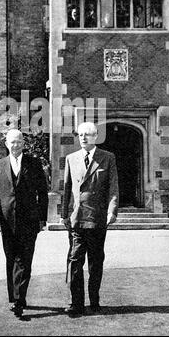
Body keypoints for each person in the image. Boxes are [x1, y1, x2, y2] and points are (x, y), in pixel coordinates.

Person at [0, 129, 48, 318]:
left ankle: (18, 301)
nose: (15, 146)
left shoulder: (34, 164)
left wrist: (42, 219)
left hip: (29, 221)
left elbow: (43, 193)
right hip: (7, 221)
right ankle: (14, 298)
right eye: (12, 142)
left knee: (24, 260)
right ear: (6, 144)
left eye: (19, 142)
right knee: (11, 259)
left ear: (24, 143)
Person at [61, 122, 119, 316]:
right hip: (77, 219)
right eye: (80, 135)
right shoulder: (71, 158)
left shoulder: (107, 158)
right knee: (75, 260)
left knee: (95, 262)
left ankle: (94, 301)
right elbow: (67, 189)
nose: (83, 138)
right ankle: (75, 303)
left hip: (97, 219)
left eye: (88, 135)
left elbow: (113, 187)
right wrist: (63, 215)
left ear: (96, 137)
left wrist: (112, 211)